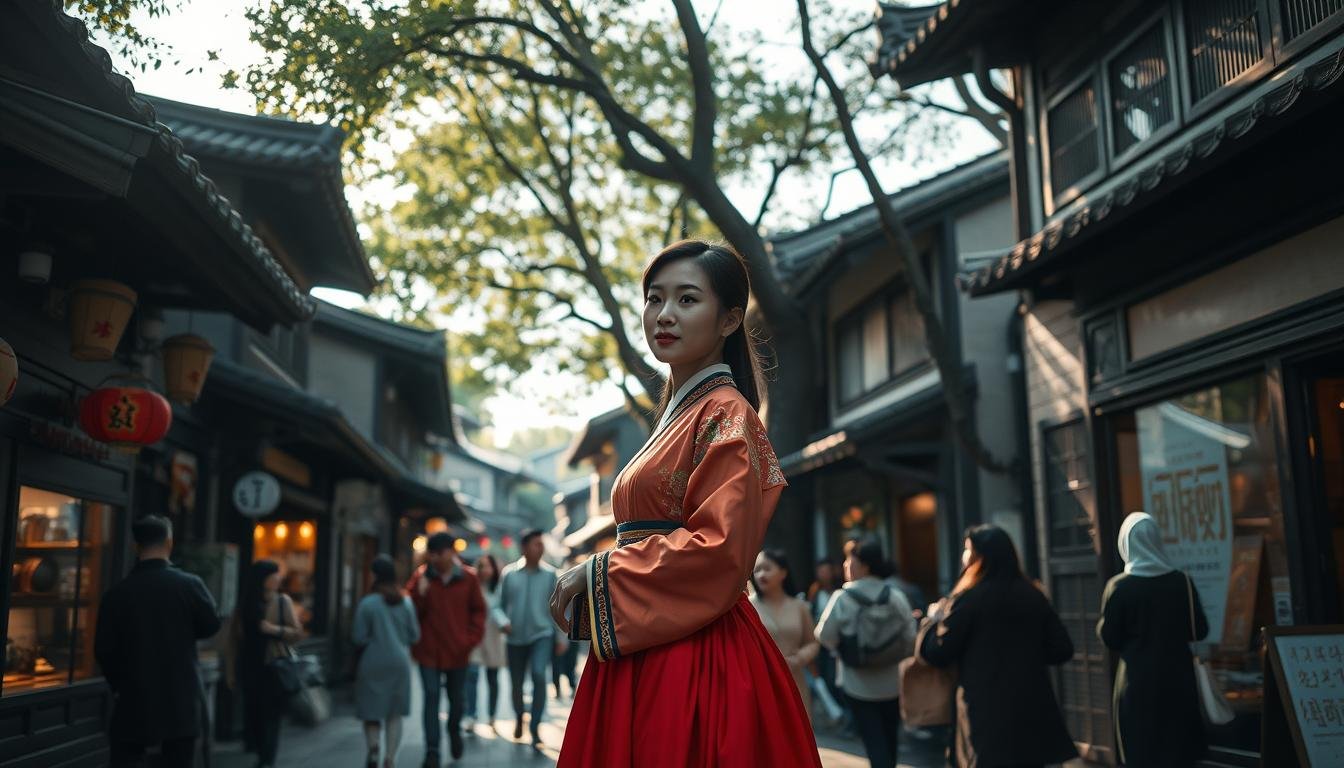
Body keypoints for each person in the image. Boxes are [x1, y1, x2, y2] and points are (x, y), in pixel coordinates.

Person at [548, 240, 821, 767]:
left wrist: (600, 570)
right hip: (651, 638)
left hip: (695, 657)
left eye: (687, 300)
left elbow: (718, 549)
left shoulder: (726, 415)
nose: (664, 315)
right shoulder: (687, 412)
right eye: (654, 299)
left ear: (729, 320)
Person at [918, 525, 1076, 768]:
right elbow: (1061, 648)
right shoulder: (1032, 595)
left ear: (979, 557)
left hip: (984, 710)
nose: (964, 556)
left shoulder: (968, 600)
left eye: (968, 549)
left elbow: (938, 652)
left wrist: (932, 621)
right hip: (1031, 706)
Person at [94, 515, 221, 767]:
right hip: (180, 698)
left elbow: (103, 650)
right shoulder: (189, 585)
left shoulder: (116, 594)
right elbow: (211, 625)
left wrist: (119, 685)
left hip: (132, 698)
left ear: (136, 546)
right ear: (169, 543)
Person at [1098, 512, 1210, 767]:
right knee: (1178, 752)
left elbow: (1110, 638)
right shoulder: (1181, 581)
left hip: (1137, 682)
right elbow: (1200, 630)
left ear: (1125, 544)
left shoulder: (1119, 587)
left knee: (1142, 752)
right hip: (1178, 679)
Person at [814, 538, 915, 768]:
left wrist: (841, 651)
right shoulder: (894, 595)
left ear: (865, 566)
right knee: (890, 740)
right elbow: (910, 636)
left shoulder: (842, 598)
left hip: (856, 681)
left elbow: (823, 634)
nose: (845, 565)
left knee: (873, 742)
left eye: (851, 560)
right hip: (891, 682)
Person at [407, 532, 485, 766]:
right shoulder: (421, 577)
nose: (435, 558)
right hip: (428, 651)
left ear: (452, 552)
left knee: (456, 700)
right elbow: (410, 615)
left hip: (458, 651)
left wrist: (469, 640)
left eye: (439, 553)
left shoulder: (469, 578)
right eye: (431, 554)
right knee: (430, 698)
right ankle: (432, 749)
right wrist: (419, 594)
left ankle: (454, 731)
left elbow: (479, 612)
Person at [233, 559, 303, 768]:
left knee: (270, 715)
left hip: (274, 665)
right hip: (249, 664)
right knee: (253, 711)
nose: (277, 579)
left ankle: (266, 759)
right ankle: (257, 749)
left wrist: (274, 630)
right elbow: (235, 637)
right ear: (262, 578)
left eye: (277, 575)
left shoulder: (282, 601)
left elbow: (297, 633)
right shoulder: (246, 602)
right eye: (273, 575)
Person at [353, 555, 420, 768]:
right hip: (399, 662)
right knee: (394, 713)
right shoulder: (406, 602)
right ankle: (390, 758)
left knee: (371, 710)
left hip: (372, 661)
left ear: (374, 575)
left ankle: (374, 747)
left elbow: (358, 637)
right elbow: (414, 636)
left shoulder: (368, 603)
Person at [499, 529, 561, 747]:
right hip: (514, 638)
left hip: (541, 634)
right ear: (524, 548)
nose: (540, 548)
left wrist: (561, 637)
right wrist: (502, 621)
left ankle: (534, 726)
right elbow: (498, 605)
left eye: (541, 544)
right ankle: (518, 717)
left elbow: (558, 609)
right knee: (516, 684)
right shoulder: (509, 574)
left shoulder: (551, 575)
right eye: (536, 544)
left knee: (538, 675)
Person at [751, 549, 820, 718]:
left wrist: (798, 659)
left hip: (794, 680)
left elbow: (813, 642)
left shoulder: (799, 606)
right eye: (757, 569)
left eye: (767, 568)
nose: (761, 574)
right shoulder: (748, 607)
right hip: (759, 683)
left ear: (783, 572)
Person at [463, 553, 507, 732]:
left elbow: (503, 609)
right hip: (474, 637)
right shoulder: (470, 588)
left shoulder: (499, 588)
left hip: (493, 637)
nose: (483, 570)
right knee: (472, 675)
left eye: (487, 566)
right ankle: (471, 715)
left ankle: (492, 715)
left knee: (492, 678)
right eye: (480, 566)